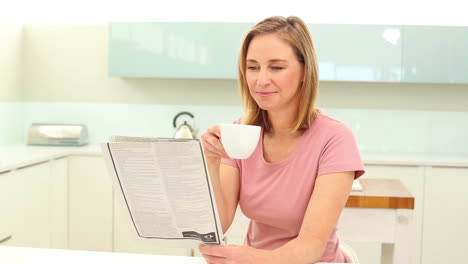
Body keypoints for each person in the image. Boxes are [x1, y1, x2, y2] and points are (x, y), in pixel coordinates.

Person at [200, 16, 365, 263]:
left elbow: (312, 244)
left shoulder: (335, 139)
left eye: (276, 67)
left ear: (304, 72)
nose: (261, 80)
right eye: (253, 67)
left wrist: (250, 258)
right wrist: (212, 163)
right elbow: (220, 223)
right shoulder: (240, 133)